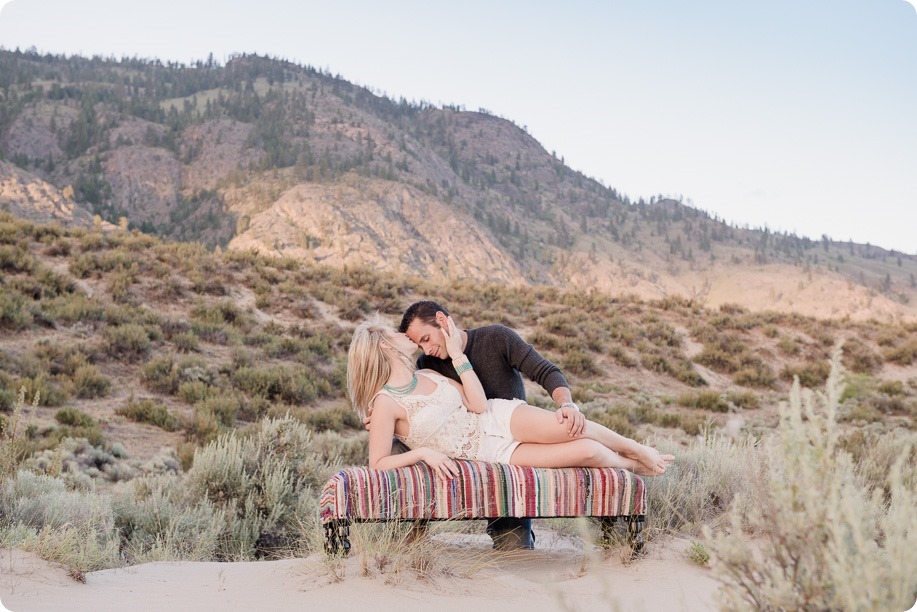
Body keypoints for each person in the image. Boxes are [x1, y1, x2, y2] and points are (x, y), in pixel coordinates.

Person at [347, 313, 675, 527]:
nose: (409, 339)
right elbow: (377, 462)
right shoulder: (386, 403)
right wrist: (421, 453)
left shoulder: (429, 371)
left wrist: (458, 355)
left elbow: (476, 403)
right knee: (586, 451)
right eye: (397, 334)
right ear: (385, 347)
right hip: (488, 452)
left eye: (421, 338)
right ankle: (633, 466)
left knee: (568, 426)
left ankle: (637, 450)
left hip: (498, 416)